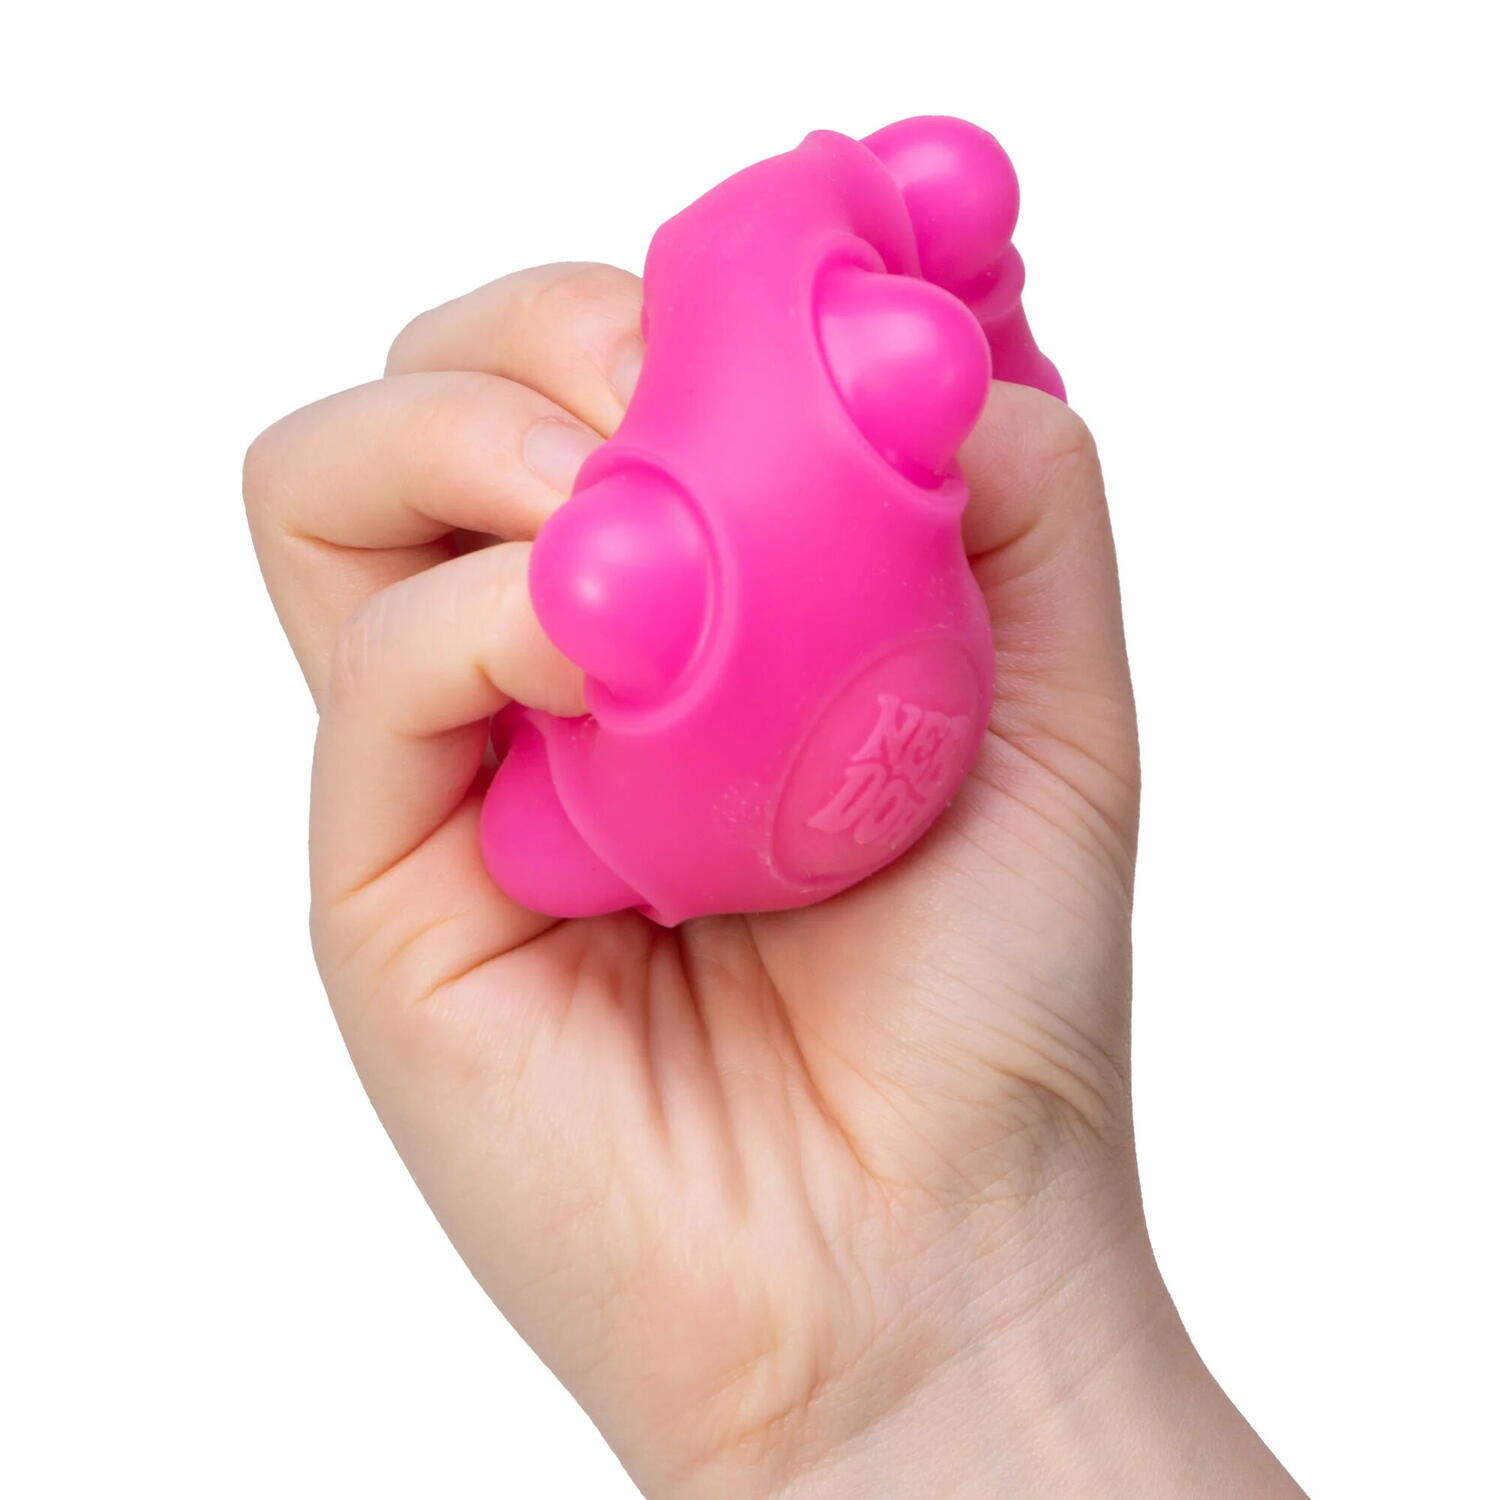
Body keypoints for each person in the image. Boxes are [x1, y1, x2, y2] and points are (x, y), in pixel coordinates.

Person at [244, 261, 1306, 1497]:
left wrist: (971, 1321)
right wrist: (894, 1393)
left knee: (551, 797)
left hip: (616, 814)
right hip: (615, 824)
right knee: (544, 806)